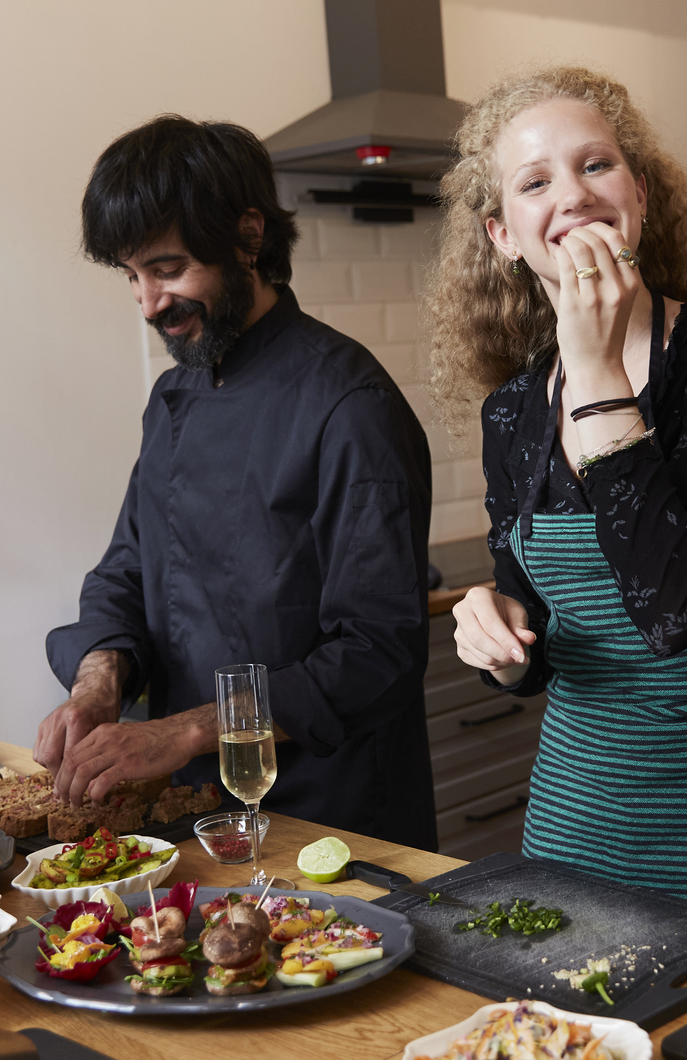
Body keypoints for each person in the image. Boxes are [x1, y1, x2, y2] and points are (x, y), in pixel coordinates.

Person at [432, 65, 687, 923]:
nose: (573, 195)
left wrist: (592, 369)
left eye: (596, 165)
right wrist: (499, 643)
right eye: (535, 183)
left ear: (640, 194)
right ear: (503, 235)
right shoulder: (512, 412)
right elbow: (538, 638)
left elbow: (674, 608)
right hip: (581, 806)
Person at [38, 116, 438, 850]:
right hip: (188, 806)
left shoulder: (349, 405)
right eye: (131, 276)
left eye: (166, 269)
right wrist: (98, 681)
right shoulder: (172, 398)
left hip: (329, 816)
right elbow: (126, 572)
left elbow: (376, 653)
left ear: (248, 237)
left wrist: (182, 731)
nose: (148, 303)